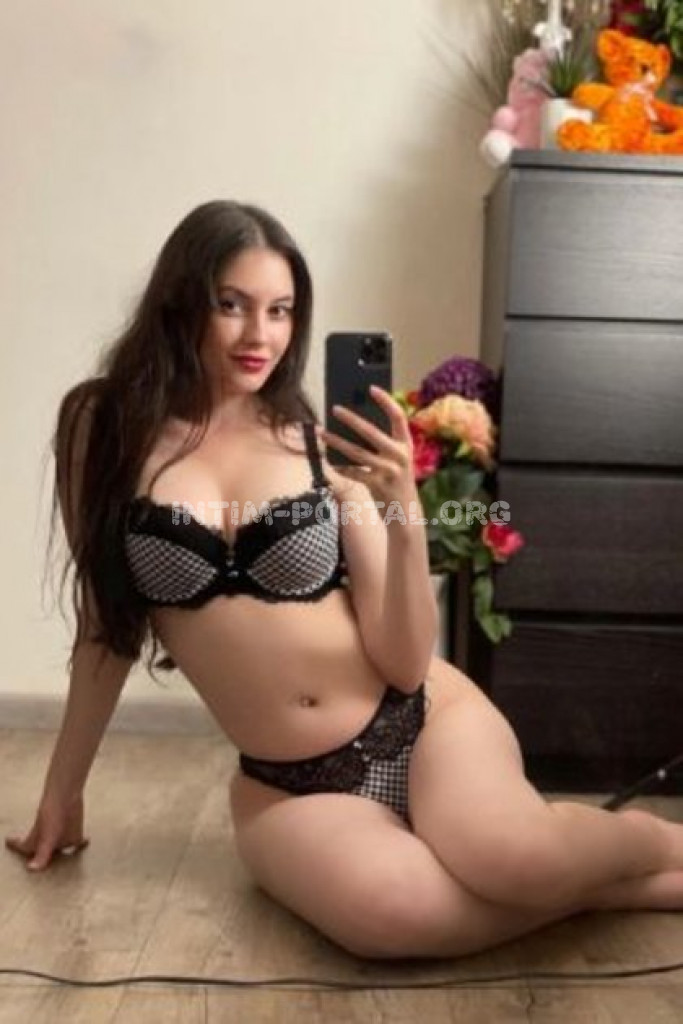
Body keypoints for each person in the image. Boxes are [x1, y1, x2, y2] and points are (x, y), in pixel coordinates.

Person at [6, 200, 683, 961]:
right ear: (179, 299)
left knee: (513, 861)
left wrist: (402, 513)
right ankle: (623, 887)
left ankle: (653, 846)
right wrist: (63, 791)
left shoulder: (317, 440)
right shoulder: (101, 425)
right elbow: (104, 628)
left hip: (420, 721)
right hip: (286, 785)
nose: (259, 335)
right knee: (399, 916)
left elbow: (403, 663)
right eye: (231, 304)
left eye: (280, 310)